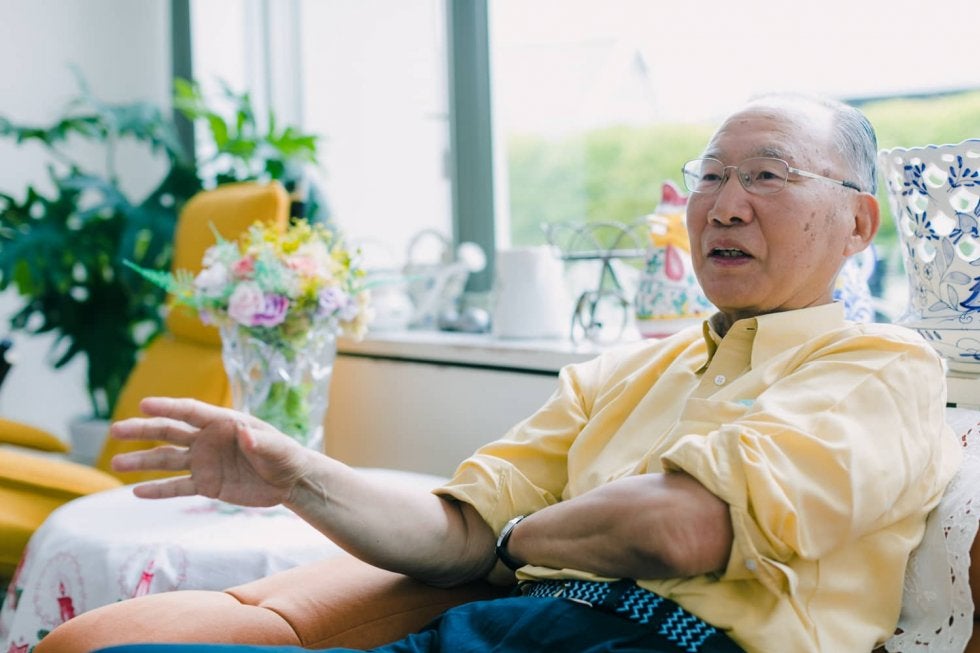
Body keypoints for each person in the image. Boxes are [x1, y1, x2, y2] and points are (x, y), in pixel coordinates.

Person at [95, 93, 960, 653]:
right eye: (711, 177)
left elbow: (684, 527)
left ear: (858, 223)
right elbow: (456, 532)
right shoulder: (617, 373)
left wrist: (514, 540)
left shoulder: (880, 366)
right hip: (507, 629)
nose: (726, 205)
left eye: (767, 175)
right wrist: (298, 476)